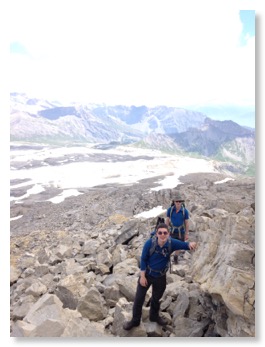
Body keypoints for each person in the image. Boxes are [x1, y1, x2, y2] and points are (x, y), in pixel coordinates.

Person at [123, 223, 197, 330]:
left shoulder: (172, 243)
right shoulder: (149, 244)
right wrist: (142, 277)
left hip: (160, 276)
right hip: (147, 274)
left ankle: (154, 316)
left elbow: (184, 245)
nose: (162, 235)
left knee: (156, 298)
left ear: (168, 234)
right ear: (157, 234)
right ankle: (135, 321)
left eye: (165, 233)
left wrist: (191, 244)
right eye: (160, 233)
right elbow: (143, 259)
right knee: (139, 298)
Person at [165, 193, 189, 264]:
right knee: (169, 244)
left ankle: (176, 257)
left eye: (179, 201)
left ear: (181, 202)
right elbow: (167, 220)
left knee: (178, 245)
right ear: (174, 202)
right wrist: (166, 231)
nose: (178, 203)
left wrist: (186, 234)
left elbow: (187, 223)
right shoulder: (170, 210)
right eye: (176, 201)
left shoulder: (185, 211)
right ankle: (167, 257)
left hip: (181, 231)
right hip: (172, 231)